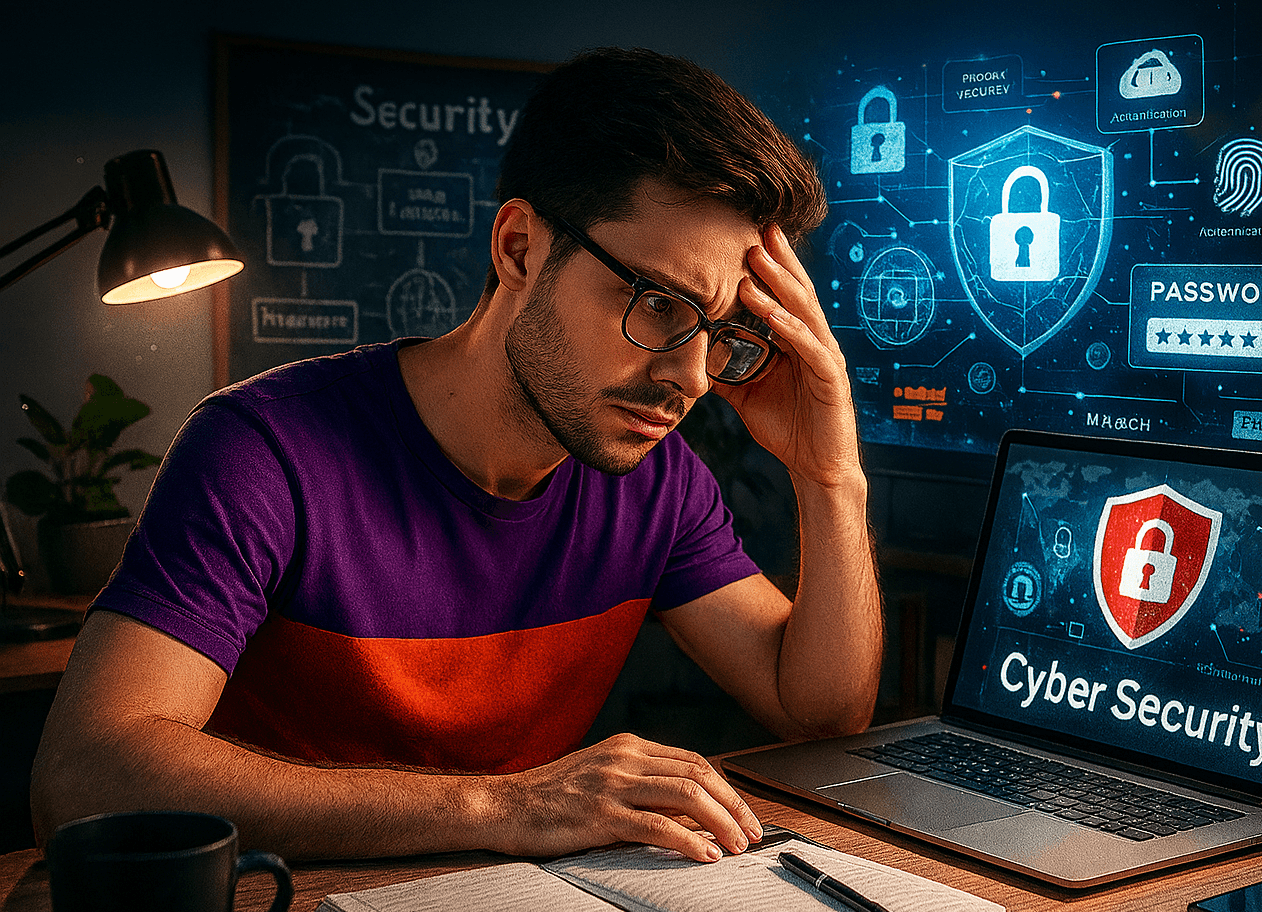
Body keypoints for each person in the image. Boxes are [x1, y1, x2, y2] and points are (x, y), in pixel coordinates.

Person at [31, 48, 882, 863]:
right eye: (659, 303)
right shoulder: (263, 451)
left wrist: (830, 473)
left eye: (726, 335)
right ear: (519, 248)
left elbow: (819, 710)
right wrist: (500, 804)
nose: (691, 379)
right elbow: (85, 776)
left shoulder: (658, 483)